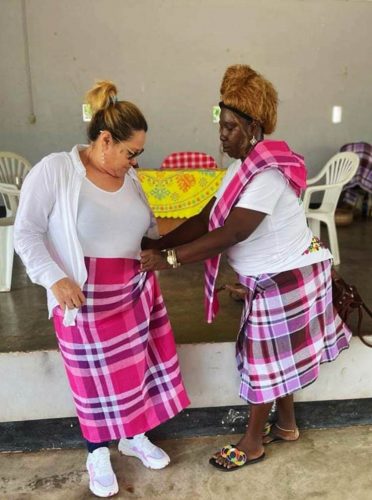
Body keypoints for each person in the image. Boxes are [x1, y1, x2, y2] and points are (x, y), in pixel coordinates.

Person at [140, 65, 351, 472]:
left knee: (263, 363)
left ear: (254, 126)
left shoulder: (267, 174)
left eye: (232, 127)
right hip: (274, 277)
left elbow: (234, 231)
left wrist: (169, 261)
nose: (222, 134)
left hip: (289, 278)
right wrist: (159, 242)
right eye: (221, 124)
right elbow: (207, 217)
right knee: (279, 358)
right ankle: (286, 425)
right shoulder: (242, 168)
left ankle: (253, 442)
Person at [14, 80, 190, 497]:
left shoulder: (131, 180)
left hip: (131, 294)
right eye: (130, 153)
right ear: (105, 140)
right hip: (82, 298)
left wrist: (192, 234)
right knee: (90, 383)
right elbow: (27, 233)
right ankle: (97, 452)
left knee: (135, 374)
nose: (133, 162)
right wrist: (53, 278)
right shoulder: (56, 170)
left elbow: (148, 232)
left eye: (138, 155)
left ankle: (132, 437)